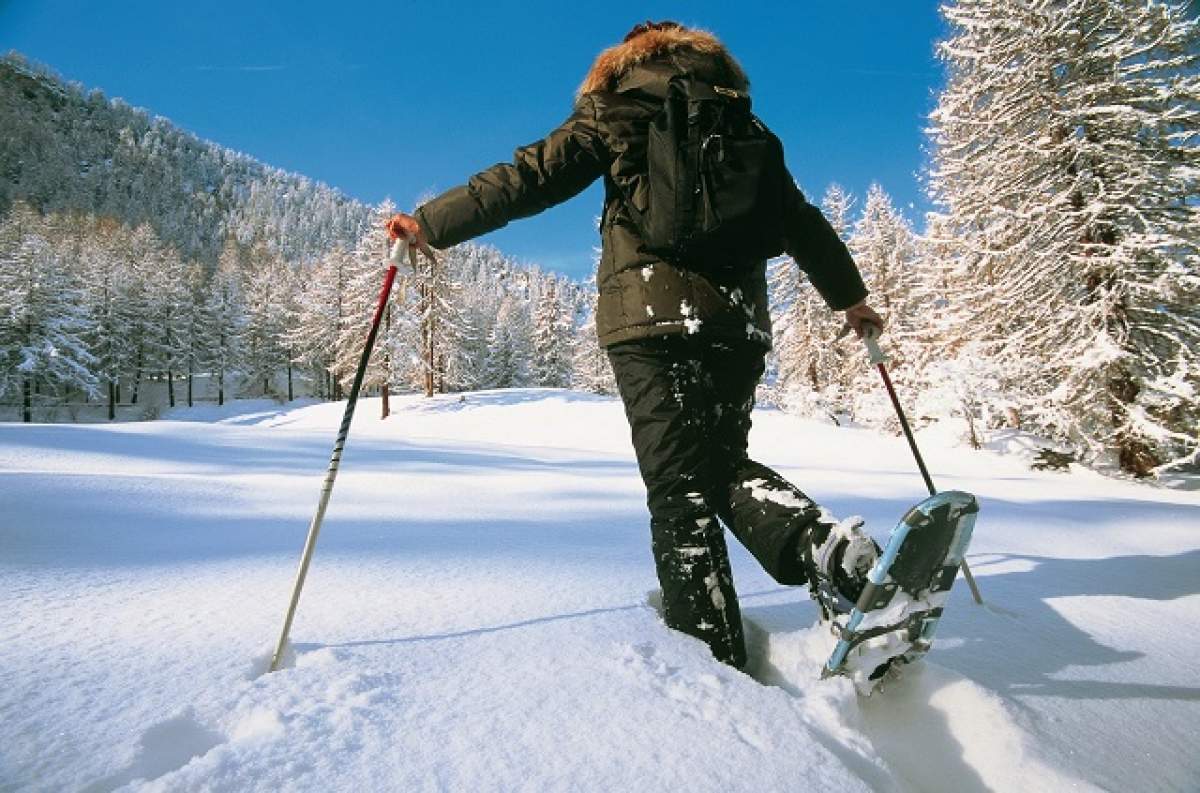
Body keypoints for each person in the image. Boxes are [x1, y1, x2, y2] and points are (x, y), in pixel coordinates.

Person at [386, 20, 884, 669]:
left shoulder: (617, 108)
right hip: (737, 325)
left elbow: (530, 177)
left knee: (680, 488)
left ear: (628, 58)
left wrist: (430, 222)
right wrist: (852, 300)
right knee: (715, 463)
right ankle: (825, 550)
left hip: (650, 317)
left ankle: (714, 668)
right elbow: (804, 225)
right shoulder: (748, 129)